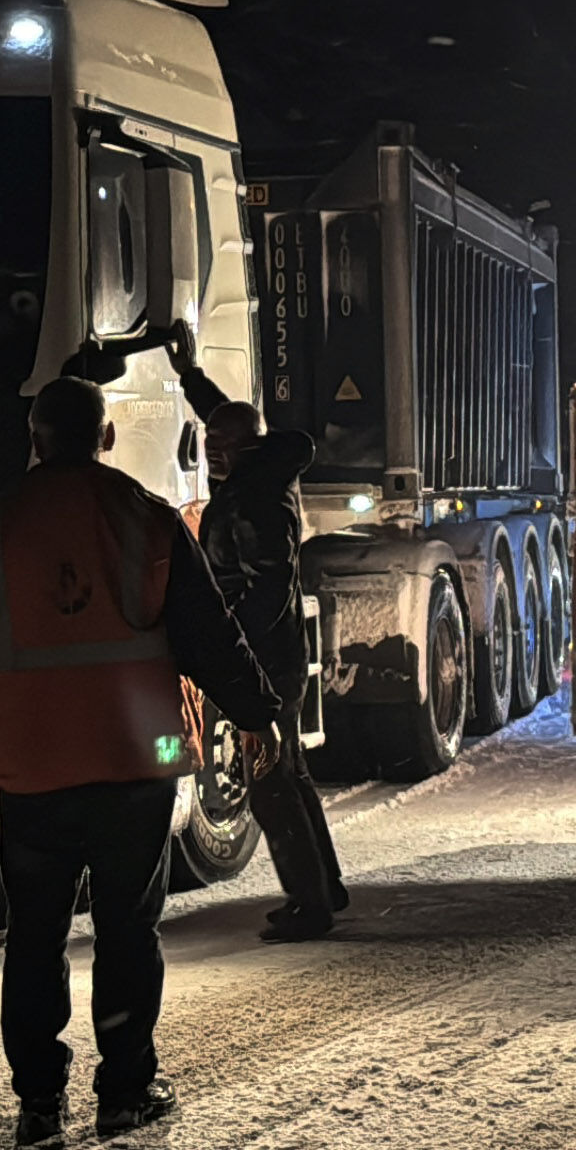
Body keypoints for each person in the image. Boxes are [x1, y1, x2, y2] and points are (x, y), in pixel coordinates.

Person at [0, 374, 283, 1150]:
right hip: (134, 761)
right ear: (105, 438)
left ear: (36, 440)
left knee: (34, 933)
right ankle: (126, 1091)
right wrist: (259, 710)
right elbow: (209, 632)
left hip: (29, 765)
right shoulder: (146, 519)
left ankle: (39, 1102)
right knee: (128, 930)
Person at [167, 326, 350, 941]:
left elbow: (268, 587)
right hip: (277, 655)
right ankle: (325, 888)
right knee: (290, 769)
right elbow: (226, 421)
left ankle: (310, 904)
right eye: (209, 441)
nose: (210, 450)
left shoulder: (255, 500)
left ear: (245, 447)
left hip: (266, 659)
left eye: (221, 444)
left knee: (270, 780)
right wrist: (190, 375)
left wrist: (232, 651)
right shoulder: (262, 474)